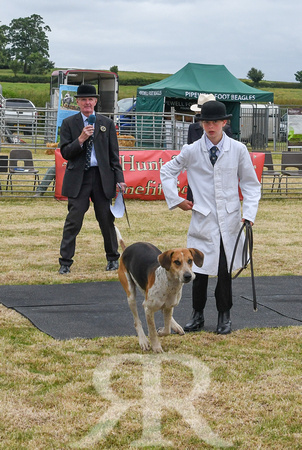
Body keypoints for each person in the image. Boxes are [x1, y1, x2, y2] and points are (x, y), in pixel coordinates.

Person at [160, 100, 261, 334]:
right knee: (198, 272)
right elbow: (167, 171)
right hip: (203, 219)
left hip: (230, 219)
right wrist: (177, 200)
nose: (210, 126)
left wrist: (249, 213)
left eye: (215, 121)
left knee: (224, 271)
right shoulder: (192, 150)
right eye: (206, 122)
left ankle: (224, 315)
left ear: (224, 123)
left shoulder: (238, 149)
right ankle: (197, 315)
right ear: (202, 123)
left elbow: (250, 183)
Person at [58, 84, 126, 275]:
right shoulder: (69, 124)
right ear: (78, 102)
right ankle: (65, 262)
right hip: (79, 177)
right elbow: (65, 152)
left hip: (102, 177)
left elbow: (114, 156)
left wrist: (119, 178)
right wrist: (80, 139)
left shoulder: (107, 123)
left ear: (95, 101)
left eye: (91, 99)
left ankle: (113, 259)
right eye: (83, 100)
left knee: (106, 219)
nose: (87, 103)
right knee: (73, 220)